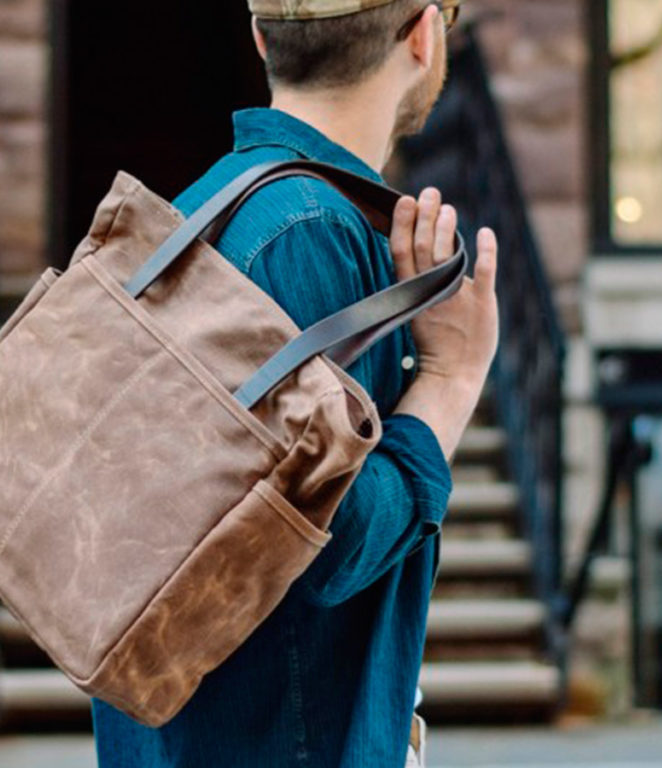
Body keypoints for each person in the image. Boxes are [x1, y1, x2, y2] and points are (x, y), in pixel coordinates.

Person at [92, 1, 499, 765]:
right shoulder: (310, 231)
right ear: (424, 34)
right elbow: (329, 541)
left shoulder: (208, 207)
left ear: (258, 38)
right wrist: (449, 377)